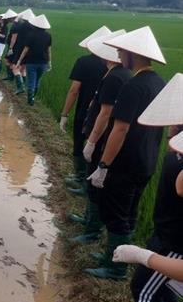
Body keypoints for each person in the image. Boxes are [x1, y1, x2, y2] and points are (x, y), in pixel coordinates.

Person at [109, 78, 183, 302]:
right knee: (165, 292)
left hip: (174, 241)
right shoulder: (177, 143)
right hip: (166, 233)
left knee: (143, 291)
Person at [85, 26, 167, 280]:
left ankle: (116, 268)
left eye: (122, 51)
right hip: (147, 159)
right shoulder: (158, 83)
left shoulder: (134, 86)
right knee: (129, 211)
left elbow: (119, 128)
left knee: (117, 213)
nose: (119, 55)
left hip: (126, 161)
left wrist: (104, 165)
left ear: (134, 54)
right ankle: (116, 254)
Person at [69, 30, 131, 242]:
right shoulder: (120, 75)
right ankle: (88, 221)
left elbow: (106, 113)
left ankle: (91, 231)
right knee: (91, 181)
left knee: (94, 185)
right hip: (102, 136)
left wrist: (92, 141)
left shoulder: (115, 77)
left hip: (102, 138)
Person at [60, 26, 111, 196]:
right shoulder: (114, 67)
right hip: (107, 116)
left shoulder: (83, 62)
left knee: (79, 144)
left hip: (85, 112)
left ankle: (80, 177)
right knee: (96, 149)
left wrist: (64, 114)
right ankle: (88, 181)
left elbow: (74, 90)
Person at [15, 14, 51, 105]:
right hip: (43, 62)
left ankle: (30, 99)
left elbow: (26, 49)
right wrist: (49, 62)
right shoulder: (48, 36)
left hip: (31, 61)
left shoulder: (31, 35)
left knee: (31, 81)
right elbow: (49, 50)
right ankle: (33, 97)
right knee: (37, 80)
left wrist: (19, 60)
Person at [5, 8, 35, 89]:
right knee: (23, 69)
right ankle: (23, 86)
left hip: (19, 48)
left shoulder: (20, 25)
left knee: (15, 66)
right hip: (28, 49)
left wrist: (11, 48)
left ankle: (20, 87)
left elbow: (14, 37)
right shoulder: (33, 27)